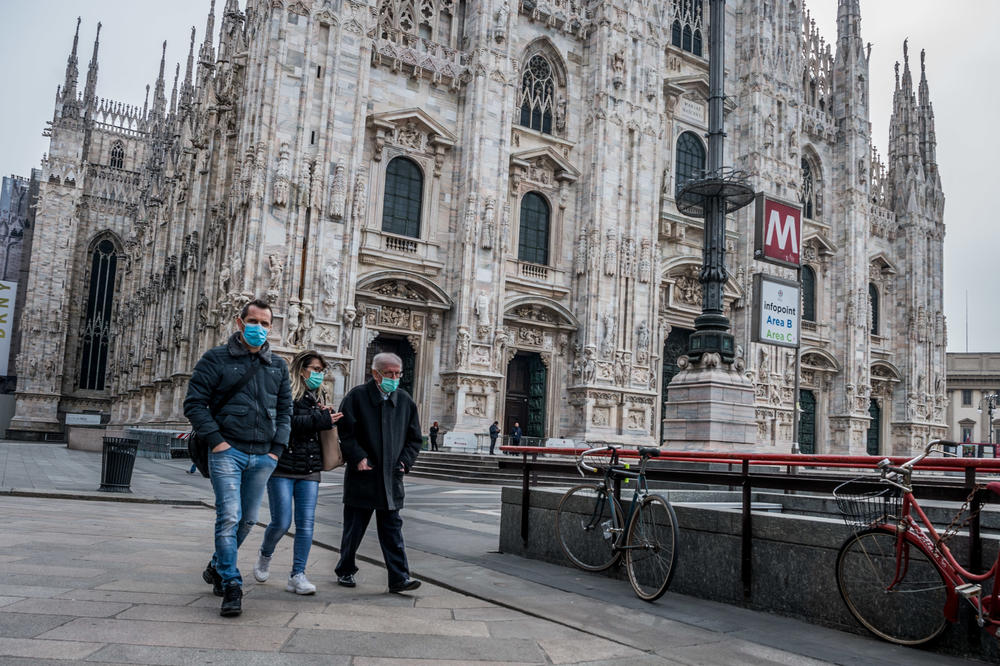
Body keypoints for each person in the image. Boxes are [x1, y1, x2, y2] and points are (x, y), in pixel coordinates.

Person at [183, 299, 292, 617]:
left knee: (246, 519)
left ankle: (217, 566)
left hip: (263, 456)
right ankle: (232, 583)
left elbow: (286, 411)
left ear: (272, 327)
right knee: (229, 516)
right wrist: (217, 442)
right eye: (253, 322)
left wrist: (277, 451)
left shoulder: (279, 366)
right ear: (239, 322)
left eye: (265, 323)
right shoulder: (216, 358)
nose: (259, 328)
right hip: (227, 452)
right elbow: (194, 403)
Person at [254, 350, 342, 595]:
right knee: (281, 521)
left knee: (306, 525)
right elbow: (287, 423)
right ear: (301, 369)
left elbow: (315, 425)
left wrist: (327, 417)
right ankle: (265, 553)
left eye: (322, 370)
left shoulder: (319, 396)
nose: (319, 374)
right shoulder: (285, 393)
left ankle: (298, 574)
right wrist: (321, 419)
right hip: (283, 466)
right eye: (315, 369)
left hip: (310, 466)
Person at [335, 352, 422, 593]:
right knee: (354, 529)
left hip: (391, 478)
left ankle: (399, 578)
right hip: (364, 475)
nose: (394, 378)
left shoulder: (405, 400)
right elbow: (345, 433)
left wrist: (405, 462)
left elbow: (415, 439)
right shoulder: (357, 397)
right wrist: (358, 457)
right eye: (389, 374)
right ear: (375, 374)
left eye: (398, 374)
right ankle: (345, 569)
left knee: (392, 530)